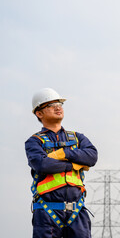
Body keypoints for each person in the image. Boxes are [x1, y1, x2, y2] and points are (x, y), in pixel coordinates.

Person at [25, 88, 98, 238]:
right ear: (39, 113)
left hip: (77, 212)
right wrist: (74, 165)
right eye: (51, 105)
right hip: (47, 212)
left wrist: (64, 153)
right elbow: (43, 165)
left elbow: (92, 157)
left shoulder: (78, 138)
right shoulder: (34, 141)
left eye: (59, 103)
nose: (58, 107)